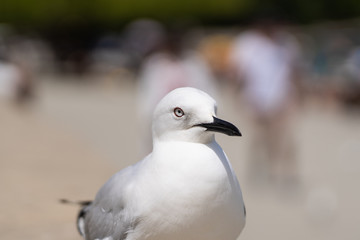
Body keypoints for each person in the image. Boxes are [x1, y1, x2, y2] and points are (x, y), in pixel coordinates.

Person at [229, 19, 300, 189]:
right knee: (257, 140)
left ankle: (284, 174)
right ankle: (259, 173)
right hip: (254, 99)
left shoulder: (286, 43)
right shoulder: (247, 43)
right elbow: (238, 71)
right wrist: (238, 95)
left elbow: (294, 70)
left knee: (283, 140)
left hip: (281, 99)